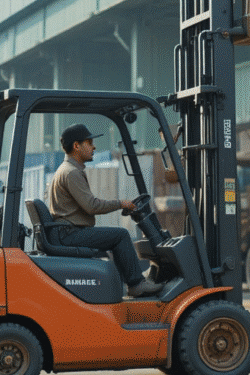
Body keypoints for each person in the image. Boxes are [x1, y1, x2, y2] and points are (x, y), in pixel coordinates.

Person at [47, 123, 163, 298]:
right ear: (76, 146)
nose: (94, 147)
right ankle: (136, 285)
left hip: (67, 232)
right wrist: (121, 204)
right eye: (89, 142)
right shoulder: (71, 172)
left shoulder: (67, 170)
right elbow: (91, 206)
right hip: (70, 234)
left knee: (115, 238)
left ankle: (125, 286)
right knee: (121, 235)